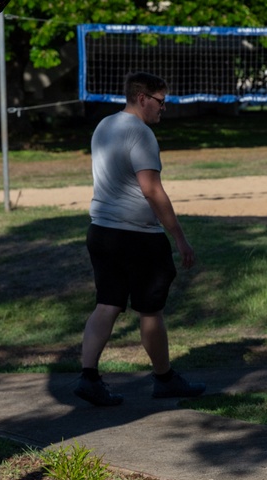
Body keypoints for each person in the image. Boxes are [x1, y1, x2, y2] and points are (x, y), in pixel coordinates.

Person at [74, 72, 206, 407]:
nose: (164, 108)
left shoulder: (105, 126)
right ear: (142, 97)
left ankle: (88, 377)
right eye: (161, 101)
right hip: (138, 238)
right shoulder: (141, 134)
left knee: (108, 303)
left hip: (101, 231)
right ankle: (164, 379)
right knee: (150, 311)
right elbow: (151, 190)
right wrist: (179, 236)